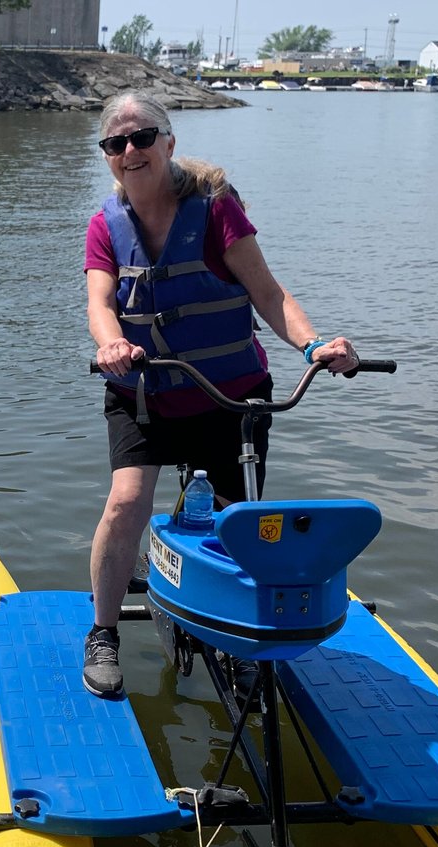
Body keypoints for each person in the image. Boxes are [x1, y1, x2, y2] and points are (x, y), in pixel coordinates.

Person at [83, 90, 358, 698]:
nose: (130, 151)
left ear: (169, 142)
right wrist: (111, 346)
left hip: (230, 398)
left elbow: (268, 293)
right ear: (106, 156)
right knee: (127, 504)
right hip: (146, 394)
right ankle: (103, 632)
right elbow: (100, 304)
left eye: (143, 137)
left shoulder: (215, 210)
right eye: (116, 143)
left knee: (243, 520)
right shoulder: (105, 224)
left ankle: (238, 638)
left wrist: (314, 347)